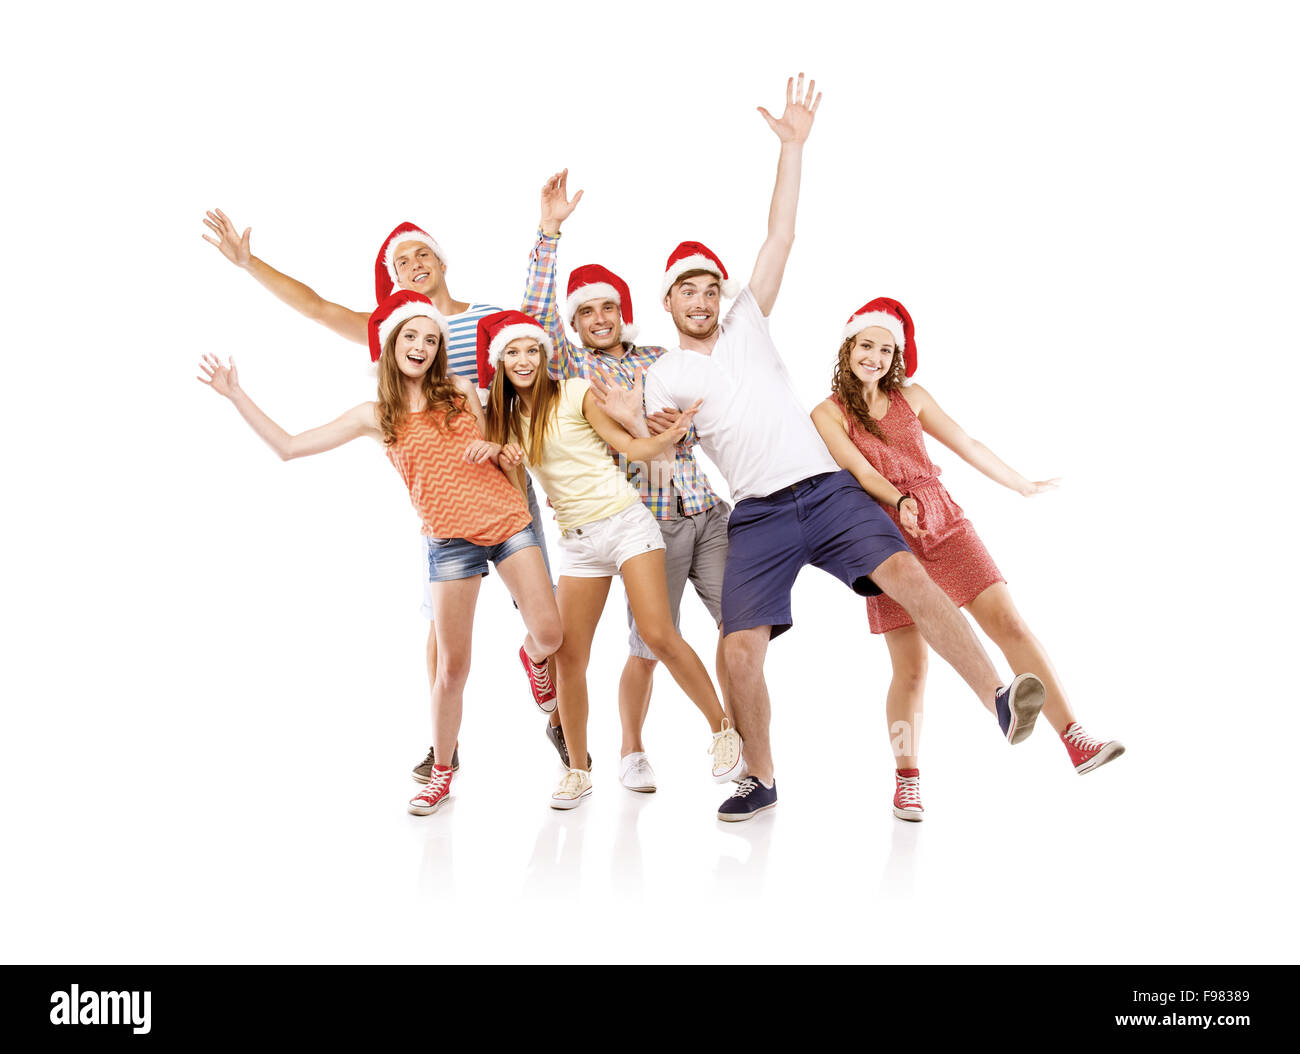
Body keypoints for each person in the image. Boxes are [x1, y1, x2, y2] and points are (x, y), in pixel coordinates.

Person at [627, 74, 1046, 822]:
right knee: (739, 652)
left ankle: (998, 697)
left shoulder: (747, 321)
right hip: (755, 514)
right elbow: (661, 458)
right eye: (685, 290)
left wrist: (792, 149)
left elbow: (780, 235)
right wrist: (654, 443)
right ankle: (760, 775)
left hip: (827, 493)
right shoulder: (663, 374)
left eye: (707, 287)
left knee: (912, 582)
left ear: (719, 294)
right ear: (666, 301)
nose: (699, 298)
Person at [201, 212, 558, 777]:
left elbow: (535, 354)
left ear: (443, 262)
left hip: (497, 477)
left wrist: (508, 451)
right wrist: (249, 264)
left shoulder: (487, 325)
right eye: (400, 264)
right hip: (442, 503)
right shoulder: (393, 336)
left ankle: (560, 720)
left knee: (547, 625)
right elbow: (320, 309)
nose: (413, 268)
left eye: (422, 256)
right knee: (442, 640)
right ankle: (444, 746)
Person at [811, 297, 1125, 820]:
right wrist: (900, 501)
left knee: (1011, 625)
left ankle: (1074, 737)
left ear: (897, 357)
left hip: (945, 520)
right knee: (910, 670)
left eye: (887, 349)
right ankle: (906, 780)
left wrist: (1019, 483)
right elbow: (862, 474)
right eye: (866, 345)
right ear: (848, 348)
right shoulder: (827, 412)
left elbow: (967, 443)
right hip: (886, 535)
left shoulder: (913, 396)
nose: (875, 356)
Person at [520, 170, 733, 794]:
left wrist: (675, 429)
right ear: (575, 325)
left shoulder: (656, 361)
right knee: (648, 643)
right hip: (641, 524)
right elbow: (533, 315)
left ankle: (736, 738)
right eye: (585, 312)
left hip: (702, 506)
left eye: (608, 306)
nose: (599, 318)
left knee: (738, 629)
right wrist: (549, 232)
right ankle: (628, 750)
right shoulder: (567, 368)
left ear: (624, 311)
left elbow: (694, 429)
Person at [477, 311, 744, 809]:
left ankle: (722, 730)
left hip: (626, 523)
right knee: (569, 657)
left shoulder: (575, 392)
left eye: (531, 350)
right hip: (578, 542)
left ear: (543, 354)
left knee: (658, 634)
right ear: (499, 363)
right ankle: (577, 770)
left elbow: (627, 445)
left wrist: (671, 434)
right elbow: (521, 498)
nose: (523, 359)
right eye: (512, 352)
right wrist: (509, 466)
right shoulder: (503, 419)